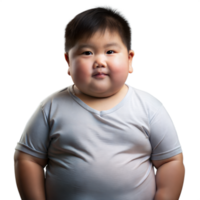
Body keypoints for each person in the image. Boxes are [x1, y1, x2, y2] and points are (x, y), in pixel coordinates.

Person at [12, 3, 186, 200]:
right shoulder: (50, 107)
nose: (99, 62)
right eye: (87, 52)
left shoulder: (149, 107)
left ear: (130, 60)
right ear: (68, 62)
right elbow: (27, 159)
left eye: (110, 52)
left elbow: (171, 160)